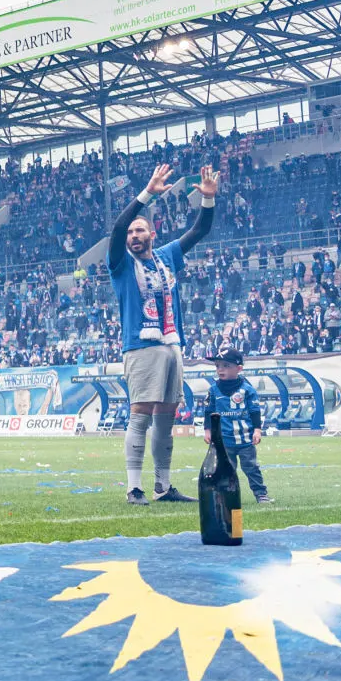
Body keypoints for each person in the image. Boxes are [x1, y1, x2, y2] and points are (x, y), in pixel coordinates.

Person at [109, 162, 218, 505]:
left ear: (152, 235)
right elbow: (117, 226)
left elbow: (199, 231)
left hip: (172, 345)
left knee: (166, 419)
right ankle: (133, 487)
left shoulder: (167, 255)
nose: (134, 236)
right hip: (141, 346)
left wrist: (209, 199)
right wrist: (145, 195)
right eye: (131, 233)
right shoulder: (121, 263)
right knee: (140, 414)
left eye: (140, 231)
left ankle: (163, 486)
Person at [204, 343, 271, 503]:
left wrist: (257, 430)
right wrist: (207, 430)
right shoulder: (213, 390)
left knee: (251, 468)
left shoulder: (247, 390)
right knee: (226, 470)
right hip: (224, 440)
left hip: (245, 440)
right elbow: (208, 411)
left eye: (226, 366)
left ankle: (261, 493)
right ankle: (226, 496)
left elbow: (255, 411)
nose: (220, 369)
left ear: (239, 369)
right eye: (218, 365)